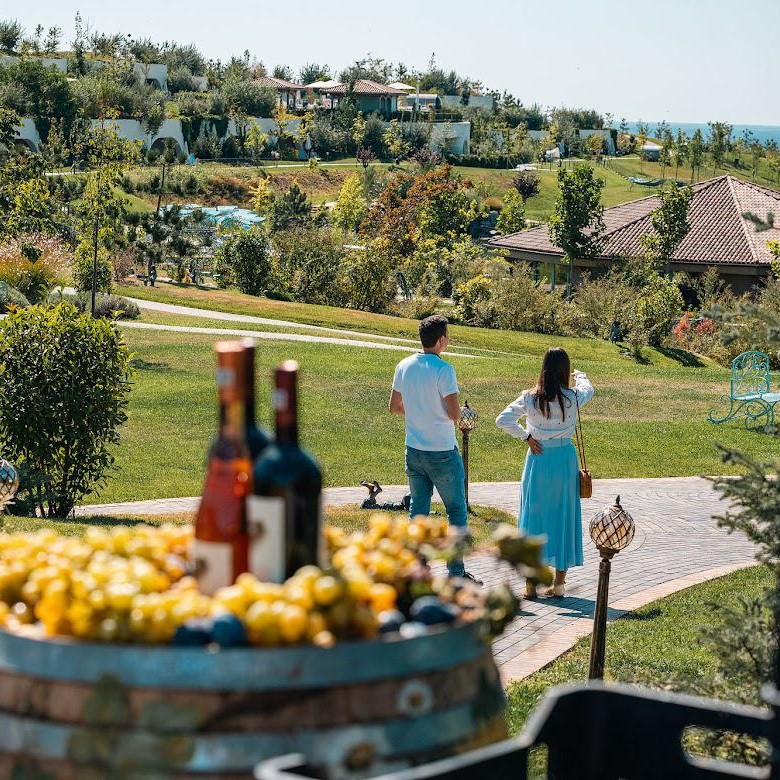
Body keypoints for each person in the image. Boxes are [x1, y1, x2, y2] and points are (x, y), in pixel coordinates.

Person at [495, 347, 594, 599]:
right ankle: (559, 585)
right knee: (563, 516)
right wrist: (580, 375)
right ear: (565, 371)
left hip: (538, 458)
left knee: (534, 517)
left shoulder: (530, 398)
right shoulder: (572, 397)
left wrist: (526, 437)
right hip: (564, 460)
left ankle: (530, 586)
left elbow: (502, 419)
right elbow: (588, 389)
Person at [389, 315, 480, 584]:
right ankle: (456, 574)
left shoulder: (404, 365)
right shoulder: (444, 370)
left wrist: (418, 411)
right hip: (442, 452)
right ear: (441, 340)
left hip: (414, 449)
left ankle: (416, 570)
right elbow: (454, 414)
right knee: (456, 511)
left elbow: (394, 407)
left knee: (418, 511)